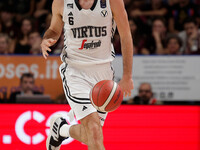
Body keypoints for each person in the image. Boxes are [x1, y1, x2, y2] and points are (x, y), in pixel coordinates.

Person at [40, 0, 134, 150]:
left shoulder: (113, 2)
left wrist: (127, 76)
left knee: (92, 137)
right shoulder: (61, 2)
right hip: (76, 73)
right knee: (94, 133)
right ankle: (62, 130)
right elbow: (54, 29)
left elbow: (125, 35)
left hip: (104, 75)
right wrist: (46, 39)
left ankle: (62, 129)